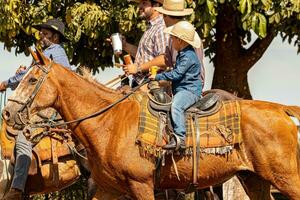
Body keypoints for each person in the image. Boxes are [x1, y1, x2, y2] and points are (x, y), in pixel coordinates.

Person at [0, 18, 71, 200]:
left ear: (55, 36)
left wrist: (7, 82)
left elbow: (64, 79)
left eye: (45, 33)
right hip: (46, 106)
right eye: (41, 33)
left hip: (51, 109)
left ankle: (17, 189)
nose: (41, 36)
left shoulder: (56, 52)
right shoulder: (46, 54)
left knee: (24, 138)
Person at [124, 0, 205, 91]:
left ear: (165, 15)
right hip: (181, 83)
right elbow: (167, 61)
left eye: (164, 14)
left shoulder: (176, 34)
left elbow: (164, 61)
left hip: (186, 87)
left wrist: (139, 69)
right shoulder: (175, 32)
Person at [150, 21, 202, 149]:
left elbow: (177, 74)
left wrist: (157, 76)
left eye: (173, 39)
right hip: (184, 89)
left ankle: (180, 138)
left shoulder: (188, 56)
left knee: (177, 106)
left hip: (189, 91)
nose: (171, 42)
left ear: (180, 41)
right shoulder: (183, 54)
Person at [121, 0, 168, 88]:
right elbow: (144, 55)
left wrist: (138, 68)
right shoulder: (151, 27)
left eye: (144, 3)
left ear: (156, 6)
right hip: (142, 83)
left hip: (152, 85)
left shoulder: (161, 27)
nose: (139, 7)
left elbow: (164, 59)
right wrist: (124, 45)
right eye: (139, 3)